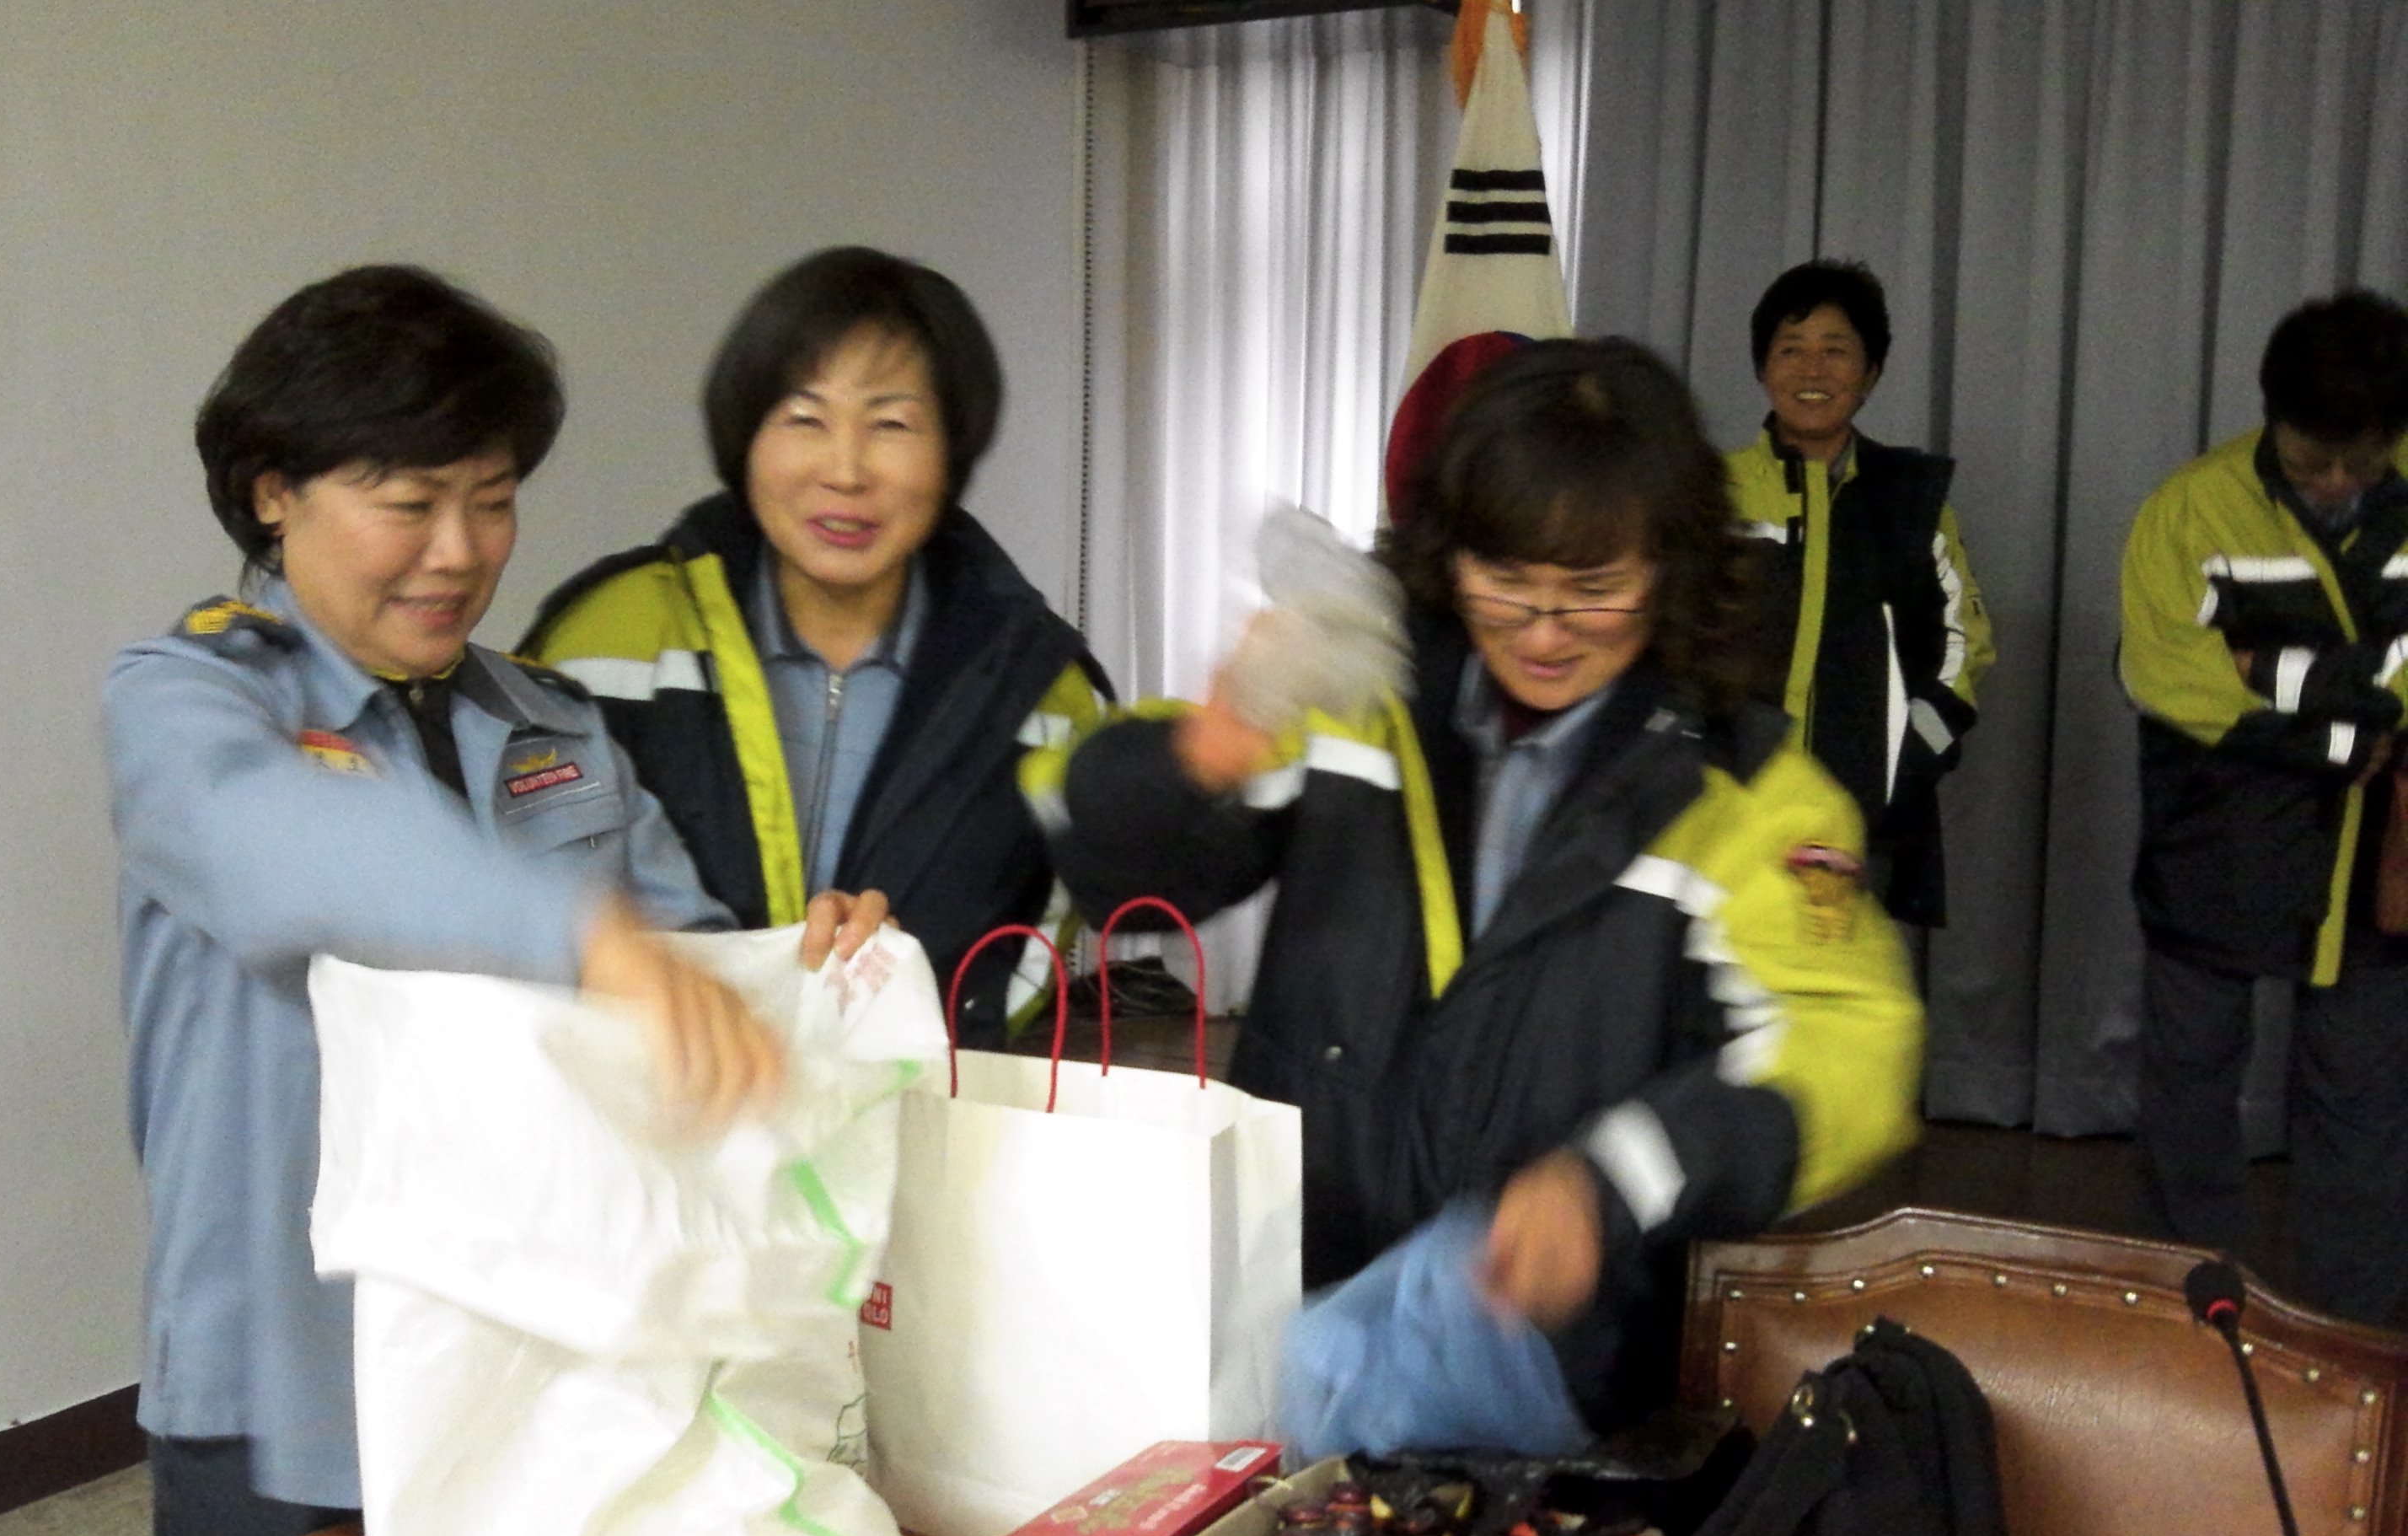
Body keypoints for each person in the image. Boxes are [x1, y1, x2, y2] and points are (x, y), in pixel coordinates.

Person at [105, 265, 884, 1536]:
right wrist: (587, 938)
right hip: (296, 1382)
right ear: (274, 491)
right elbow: (289, 853)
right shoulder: (191, 704)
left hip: (545, 1360)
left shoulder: (549, 721)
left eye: (494, 500)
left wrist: (797, 967)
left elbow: (677, 970)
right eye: (411, 505)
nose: (460, 552)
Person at [1029, 338, 1923, 1437]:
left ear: (1671, 566)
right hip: (1278, 1318)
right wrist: (1200, 755)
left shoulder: (1750, 799)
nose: (1544, 633)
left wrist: (1616, 1180)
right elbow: (1097, 855)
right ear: (1450, 554)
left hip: (1550, 1374)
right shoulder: (1356, 703)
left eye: (1594, 590)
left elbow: (1850, 1047)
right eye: (1506, 582)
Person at [516, 247, 1107, 1043]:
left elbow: (1046, 925)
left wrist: (906, 1018)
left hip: (908, 1102)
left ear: (952, 451)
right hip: (648, 1097)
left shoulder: (1039, 686)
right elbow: (526, 880)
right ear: (746, 438)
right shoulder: (608, 639)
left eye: (891, 425)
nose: (846, 471)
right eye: (805, 418)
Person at [2119, 289, 2408, 1325]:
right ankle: (2190, 1324)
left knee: (2363, 1108)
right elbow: (2164, 673)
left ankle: (2352, 1345)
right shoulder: (2190, 510)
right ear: (2270, 418)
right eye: (2310, 457)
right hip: (2215, 842)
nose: (2333, 483)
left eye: (2360, 461)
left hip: (2374, 861)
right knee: (2188, 1092)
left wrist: (2266, 669)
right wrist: (2345, 732)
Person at [1723, 260, 1993, 926]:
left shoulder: (1912, 502)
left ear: (1870, 373)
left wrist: (1908, 758)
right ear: (1762, 368)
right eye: (1791, 349)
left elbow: (1963, 646)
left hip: (1858, 827)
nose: (1812, 370)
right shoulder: (1712, 493)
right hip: (1727, 815)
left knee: (1845, 980)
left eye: (1835, 350)